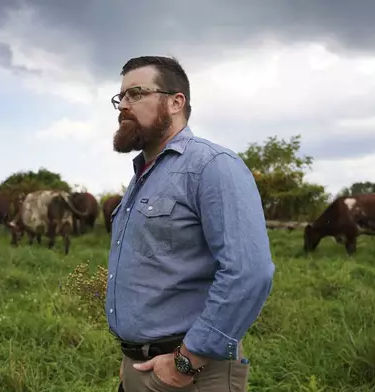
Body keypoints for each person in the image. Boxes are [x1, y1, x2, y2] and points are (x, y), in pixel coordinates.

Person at [106, 55, 275, 392]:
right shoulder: (144, 176)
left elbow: (248, 273)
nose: (124, 105)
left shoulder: (213, 166)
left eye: (136, 94)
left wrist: (186, 361)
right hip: (142, 366)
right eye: (120, 97)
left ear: (175, 102)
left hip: (191, 375)